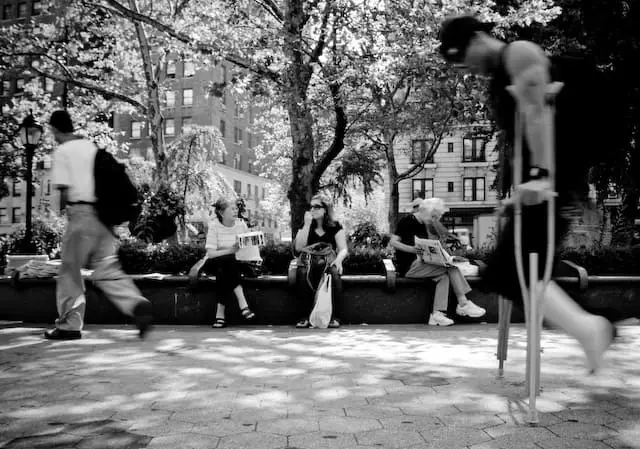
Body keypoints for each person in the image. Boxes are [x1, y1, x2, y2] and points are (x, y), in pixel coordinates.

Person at [438, 15, 617, 371]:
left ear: (476, 39)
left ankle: (592, 328)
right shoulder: (498, 78)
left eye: (463, 59)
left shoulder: (519, 54)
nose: (468, 70)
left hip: (549, 178)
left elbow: (538, 114)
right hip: (539, 181)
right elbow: (517, 139)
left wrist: (541, 177)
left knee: (514, 270)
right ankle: (594, 326)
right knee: (508, 271)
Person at [44, 110, 153, 340]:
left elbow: (63, 192)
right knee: (106, 267)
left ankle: (69, 325)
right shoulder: (89, 146)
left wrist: (65, 215)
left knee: (69, 272)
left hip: (81, 215)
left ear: (54, 130)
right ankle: (136, 304)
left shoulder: (63, 151)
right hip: (103, 217)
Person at [391, 198, 486, 326]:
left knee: (444, 277)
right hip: (408, 267)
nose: (434, 220)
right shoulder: (406, 221)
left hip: (421, 264)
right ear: (426, 212)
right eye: (433, 217)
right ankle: (463, 303)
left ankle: (437, 314)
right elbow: (393, 242)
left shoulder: (424, 224)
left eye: (436, 217)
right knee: (451, 268)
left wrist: (445, 257)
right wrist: (412, 249)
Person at [294, 194, 348, 328]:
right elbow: (299, 248)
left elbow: (343, 249)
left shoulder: (335, 226)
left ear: (325, 209)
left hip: (328, 261)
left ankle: (332, 317)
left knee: (334, 274)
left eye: (317, 206)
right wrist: (306, 225)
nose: (312, 209)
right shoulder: (306, 224)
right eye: (311, 207)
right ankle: (304, 316)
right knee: (302, 273)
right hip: (308, 261)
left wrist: (339, 260)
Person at [205, 198, 257, 328]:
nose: (236, 211)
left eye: (236, 209)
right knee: (227, 260)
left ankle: (220, 314)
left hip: (235, 263)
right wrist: (229, 250)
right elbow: (211, 253)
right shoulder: (214, 226)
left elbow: (247, 246)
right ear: (222, 213)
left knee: (226, 267)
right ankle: (243, 303)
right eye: (232, 209)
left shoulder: (241, 225)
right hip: (214, 263)